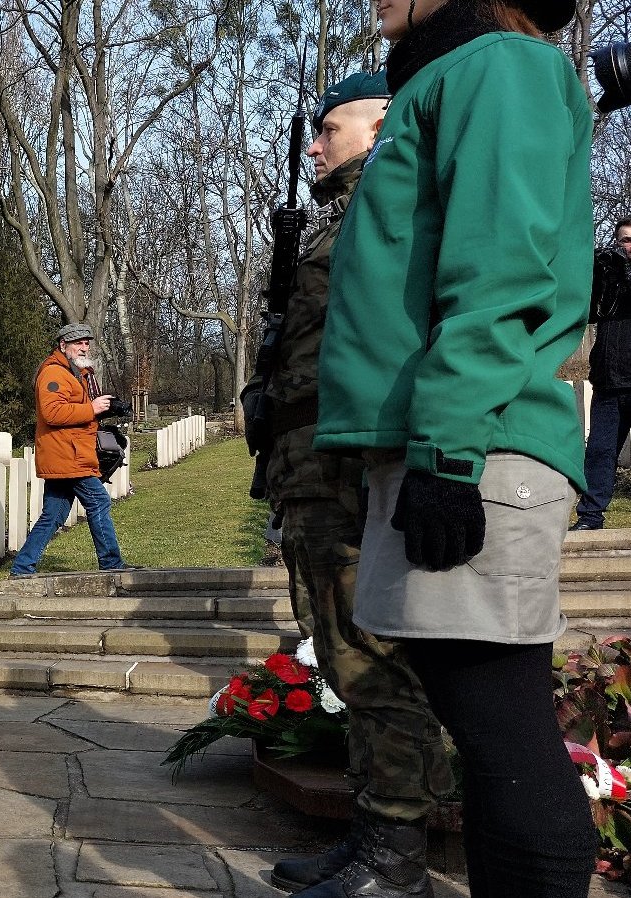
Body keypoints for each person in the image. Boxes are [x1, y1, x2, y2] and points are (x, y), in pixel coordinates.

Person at [314, 0, 598, 895]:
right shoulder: (449, 73)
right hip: (451, 438)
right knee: (484, 739)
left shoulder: (499, 66)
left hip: (477, 443)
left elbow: (503, 269)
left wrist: (445, 453)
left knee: (504, 734)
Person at [250, 72, 453, 895]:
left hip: (345, 468)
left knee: (370, 656)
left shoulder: (392, 206)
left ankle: (397, 855)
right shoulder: (346, 218)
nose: (314, 144)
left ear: (380, 124)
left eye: (329, 128)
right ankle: (373, 831)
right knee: (337, 653)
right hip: (307, 469)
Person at [10, 324, 130, 576]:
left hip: (69, 453)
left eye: (86, 342)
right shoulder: (54, 373)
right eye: (78, 343)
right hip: (68, 455)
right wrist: (92, 409)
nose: (84, 347)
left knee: (54, 514)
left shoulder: (75, 372)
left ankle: (22, 567)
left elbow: (77, 408)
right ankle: (111, 565)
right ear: (63, 346)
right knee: (99, 501)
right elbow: (52, 413)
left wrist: (107, 407)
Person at [572, 217, 631, 531]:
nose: (628, 247)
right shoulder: (608, 279)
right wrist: (601, 270)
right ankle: (591, 517)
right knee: (599, 451)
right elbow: (588, 307)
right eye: (623, 240)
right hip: (609, 383)